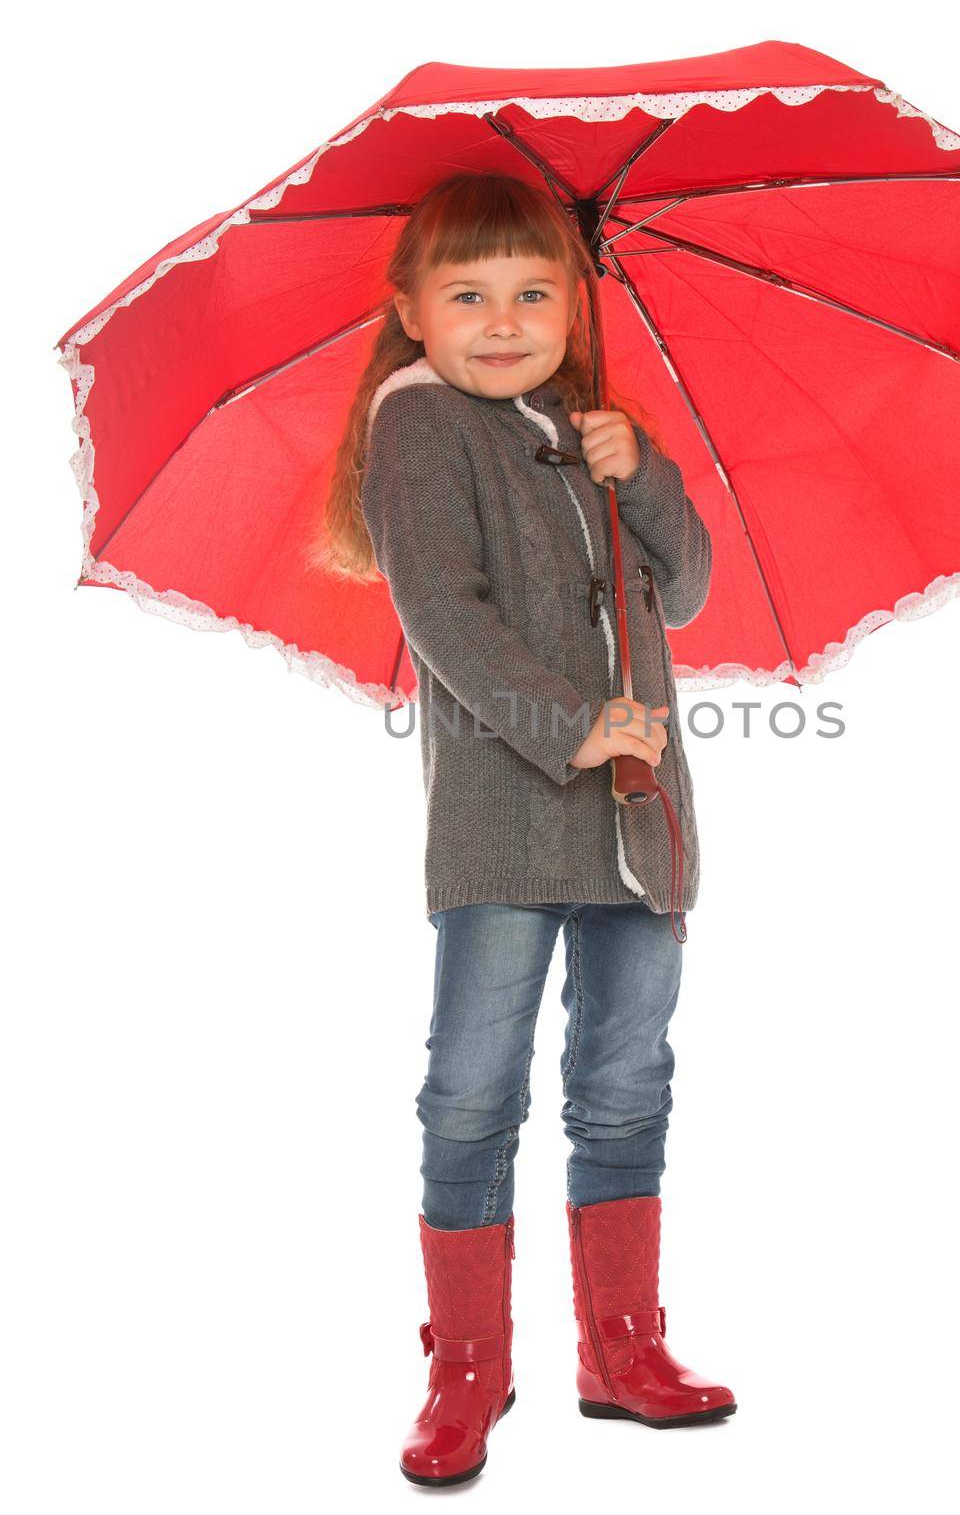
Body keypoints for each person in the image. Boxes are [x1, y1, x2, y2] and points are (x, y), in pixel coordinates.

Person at [321, 171, 734, 1488]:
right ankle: (467, 1365)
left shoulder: (583, 426)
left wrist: (645, 469)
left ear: (574, 303)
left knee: (625, 1088)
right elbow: (443, 616)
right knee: (472, 1091)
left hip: (637, 832)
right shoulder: (418, 424)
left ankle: (622, 1347)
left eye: (535, 293)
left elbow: (688, 591)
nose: (504, 321)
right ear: (411, 313)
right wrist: (568, 727)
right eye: (469, 296)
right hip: (506, 830)